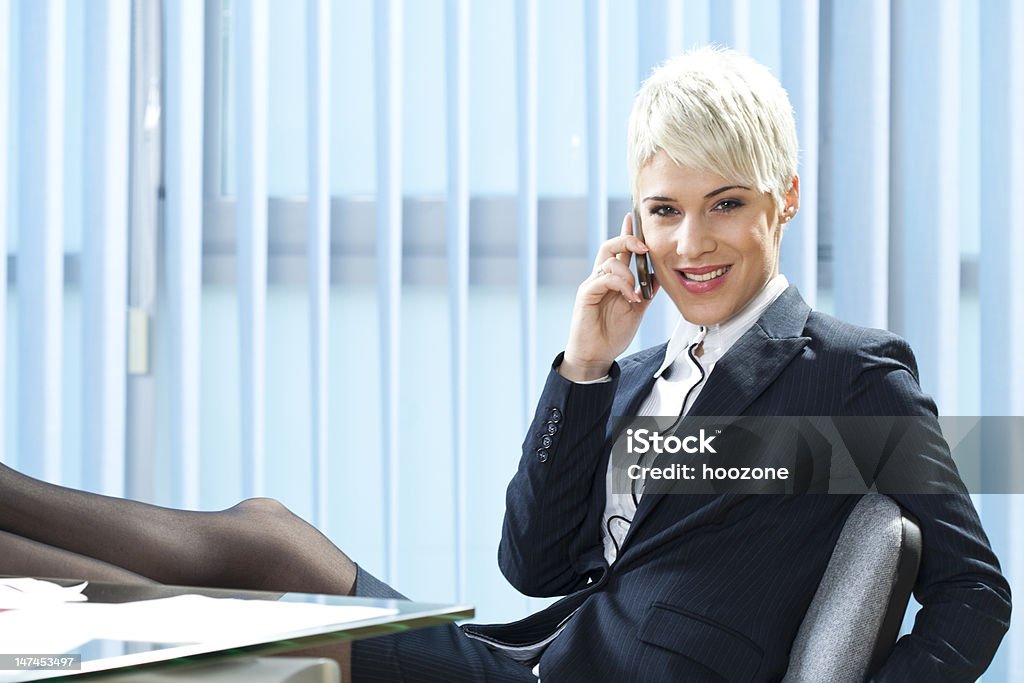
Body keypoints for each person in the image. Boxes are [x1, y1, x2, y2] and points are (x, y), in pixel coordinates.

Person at [0, 47, 1010, 682]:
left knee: (247, 615)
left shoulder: (848, 372)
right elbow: (531, 562)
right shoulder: (643, 368)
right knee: (266, 534)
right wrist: (584, 368)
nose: (691, 241)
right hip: (531, 654)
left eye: (727, 203)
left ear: (783, 200)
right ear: (635, 220)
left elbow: (974, 596)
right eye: (664, 209)